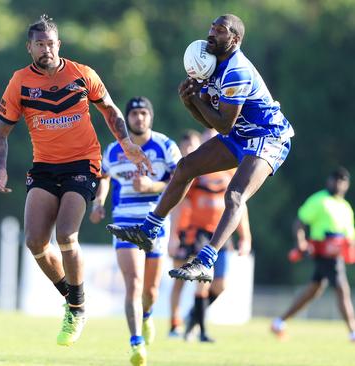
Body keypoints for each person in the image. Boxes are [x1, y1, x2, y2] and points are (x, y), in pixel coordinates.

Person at [0, 14, 152, 351]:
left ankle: (75, 308)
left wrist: (127, 146)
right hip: (44, 167)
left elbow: (110, 112)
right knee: (35, 241)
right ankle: (75, 299)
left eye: (51, 44)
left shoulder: (82, 74)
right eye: (39, 44)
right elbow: (0, 133)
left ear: (58, 45)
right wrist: (1, 167)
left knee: (66, 234)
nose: (46, 49)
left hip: (83, 163)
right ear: (29, 48)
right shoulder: (20, 82)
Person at [107, 13, 294, 283]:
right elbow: (209, 120)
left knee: (235, 196)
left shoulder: (235, 70)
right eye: (212, 27)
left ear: (235, 39)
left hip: (268, 137)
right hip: (241, 134)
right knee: (186, 167)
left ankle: (206, 261)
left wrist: (196, 100)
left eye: (220, 30)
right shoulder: (210, 63)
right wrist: (190, 103)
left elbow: (225, 125)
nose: (212, 33)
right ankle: (148, 230)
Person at [89, 96, 180, 364]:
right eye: (134, 114)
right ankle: (136, 342)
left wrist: (152, 186)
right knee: (134, 283)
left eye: (143, 113)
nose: (139, 118)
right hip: (125, 222)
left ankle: (148, 315)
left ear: (150, 117)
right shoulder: (113, 150)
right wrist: (98, 202)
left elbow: (180, 181)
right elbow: (103, 178)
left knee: (150, 292)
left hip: (156, 223)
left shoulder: (166, 146)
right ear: (126, 119)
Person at [172, 130, 252, 342]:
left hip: (222, 233)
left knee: (220, 285)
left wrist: (246, 236)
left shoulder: (232, 171)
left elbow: (239, 206)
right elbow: (181, 203)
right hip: (200, 233)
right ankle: (202, 331)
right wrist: (176, 233)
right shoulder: (198, 172)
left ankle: (193, 317)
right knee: (203, 281)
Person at [271, 167, 355, 342]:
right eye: (336, 179)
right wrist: (300, 242)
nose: (339, 183)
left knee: (313, 290)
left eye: (342, 180)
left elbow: (349, 234)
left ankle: (279, 322)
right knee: (342, 288)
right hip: (323, 252)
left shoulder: (346, 207)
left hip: (337, 253)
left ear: (347, 184)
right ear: (329, 181)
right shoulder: (319, 200)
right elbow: (300, 222)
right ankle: (352, 331)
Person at [167, 130, 201, 336]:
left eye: (193, 146)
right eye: (186, 146)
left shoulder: (207, 173)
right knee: (179, 280)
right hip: (182, 232)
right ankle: (174, 323)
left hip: (202, 233)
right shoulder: (178, 173)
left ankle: (196, 321)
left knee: (203, 282)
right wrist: (172, 235)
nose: (189, 150)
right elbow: (173, 206)